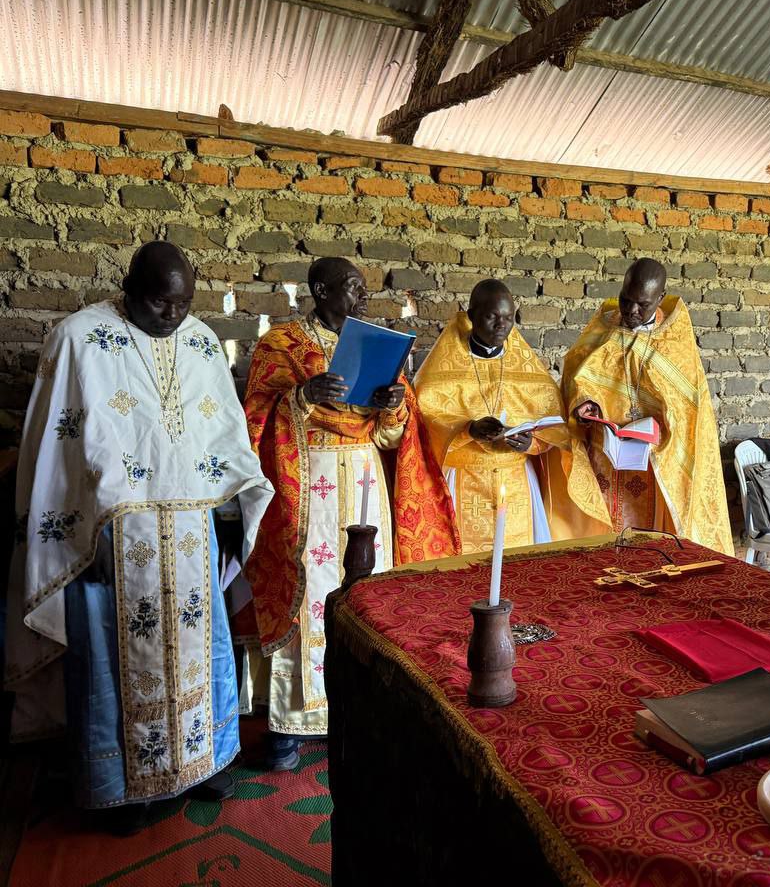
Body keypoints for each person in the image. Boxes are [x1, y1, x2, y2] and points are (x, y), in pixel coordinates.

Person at [4, 242, 274, 833]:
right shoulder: (78, 340)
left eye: (183, 304)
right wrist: (85, 532)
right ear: (127, 288)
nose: (173, 316)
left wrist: (232, 511)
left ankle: (204, 763)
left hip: (191, 534)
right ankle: (124, 789)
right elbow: (55, 453)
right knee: (114, 663)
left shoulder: (200, 341)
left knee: (202, 649)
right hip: (113, 539)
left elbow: (221, 433)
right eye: (159, 303)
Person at [242, 257, 457, 770]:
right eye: (352, 288)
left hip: (365, 477)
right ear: (321, 290)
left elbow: (393, 438)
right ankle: (291, 723)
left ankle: (364, 711)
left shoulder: (379, 347)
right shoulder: (282, 344)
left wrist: (392, 406)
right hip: (306, 484)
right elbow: (254, 419)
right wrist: (301, 396)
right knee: (308, 591)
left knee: (368, 591)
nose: (362, 298)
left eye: (363, 289)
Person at [413, 280, 610, 552]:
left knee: (518, 563)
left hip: (517, 482)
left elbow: (554, 427)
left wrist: (531, 443)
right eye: (492, 317)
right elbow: (425, 420)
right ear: (472, 316)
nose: (501, 325)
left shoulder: (526, 367)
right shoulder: (442, 366)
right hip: (465, 480)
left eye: (508, 318)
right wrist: (468, 429)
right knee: (461, 564)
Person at [561, 259, 733, 555]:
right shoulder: (602, 329)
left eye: (642, 304)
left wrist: (660, 425)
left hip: (656, 463)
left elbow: (688, 408)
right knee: (604, 545)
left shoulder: (674, 341)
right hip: (606, 459)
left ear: (660, 297)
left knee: (653, 546)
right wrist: (585, 404)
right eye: (626, 300)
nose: (631, 311)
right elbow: (576, 378)